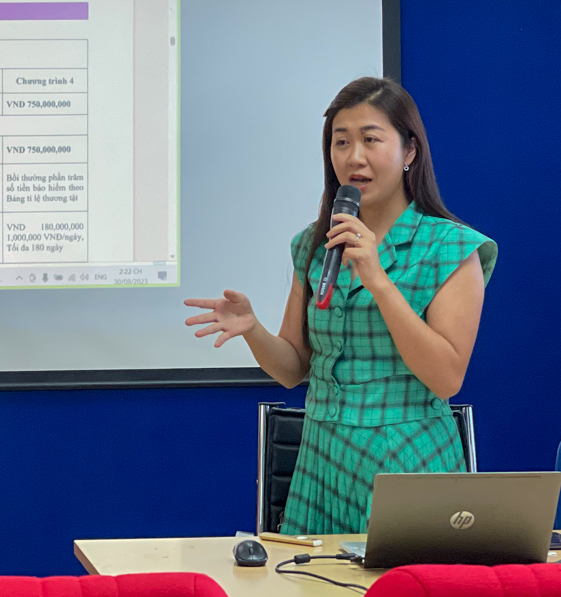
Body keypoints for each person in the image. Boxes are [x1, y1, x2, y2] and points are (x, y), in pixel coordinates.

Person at [184, 77, 497, 535]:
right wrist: (253, 330)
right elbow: (293, 368)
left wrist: (378, 279)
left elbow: (447, 377)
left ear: (409, 151)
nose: (354, 157)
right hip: (323, 461)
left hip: (408, 460)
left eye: (371, 140)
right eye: (341, 142)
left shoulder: (450, 248)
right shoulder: (315, 245)